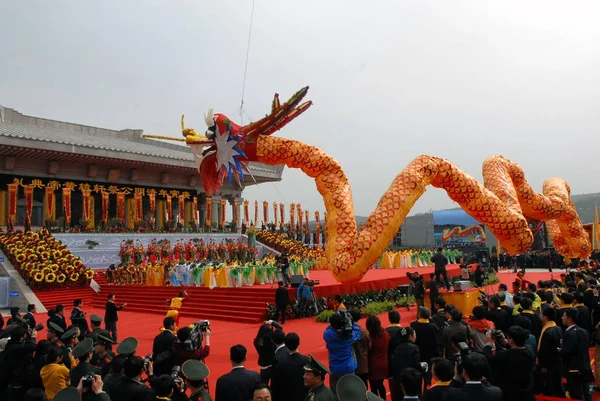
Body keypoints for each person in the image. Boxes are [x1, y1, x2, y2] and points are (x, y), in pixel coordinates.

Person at [482, 326, 536, 401]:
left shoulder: (504, 355)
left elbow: (487, 357)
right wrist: (504, 341)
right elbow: (518, 348)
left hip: (510, 394)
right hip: (527, 392)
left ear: (511, 340)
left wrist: (489, 343)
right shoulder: (531, 350)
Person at [323, 310, 362, 397]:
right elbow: (358, 333)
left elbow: (330, 327)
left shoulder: (327, 335)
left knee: (336, 394)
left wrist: (336, 321)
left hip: (334, 369)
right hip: (348, 369)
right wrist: (351, 322)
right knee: (350, 394)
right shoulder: (349, 337)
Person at [560, 308, 593, 401]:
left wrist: (559, 350)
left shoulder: (569, 333)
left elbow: (566, 352)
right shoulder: (583, 331)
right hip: (585, 366)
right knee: (586, 392)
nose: (562, 318)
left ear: (569, 319)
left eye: (564, 316)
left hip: (573, 369)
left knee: (576, 394)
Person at [271, 333, 309, 401]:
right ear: (299, 343)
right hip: (304, 396)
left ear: (285, 345)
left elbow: (275, 386)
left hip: (287, 397)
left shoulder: (281, 364)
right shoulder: (307, 361)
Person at [537, 307, 564, 397]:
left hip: (549, 364)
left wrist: (543, 365)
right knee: (558, 385)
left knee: (550, 388)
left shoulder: (547, 331)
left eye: (541, 314)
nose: (540, 316)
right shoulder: (558, 328)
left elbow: (543, 350)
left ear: (545, 317)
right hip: (558, 361)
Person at [366, 315, 390, 400]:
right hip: (384, 363)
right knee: (381, 385)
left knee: (374, 388)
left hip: (373, 366)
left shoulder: (370, 338)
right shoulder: (385, 334)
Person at [253, 321, 282, 385]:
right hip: (273, 364)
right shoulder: (273, 341)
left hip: (264, 366)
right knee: (275, 384)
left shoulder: (257, 341)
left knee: (263, 385)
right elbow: (280, 328)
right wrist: (271, 322)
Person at [348, 309, 370, 387]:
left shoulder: (346, 332)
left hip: (350, 365)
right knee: (364, 387)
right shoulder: (364, 331)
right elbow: (369, 346)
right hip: (363, 364)